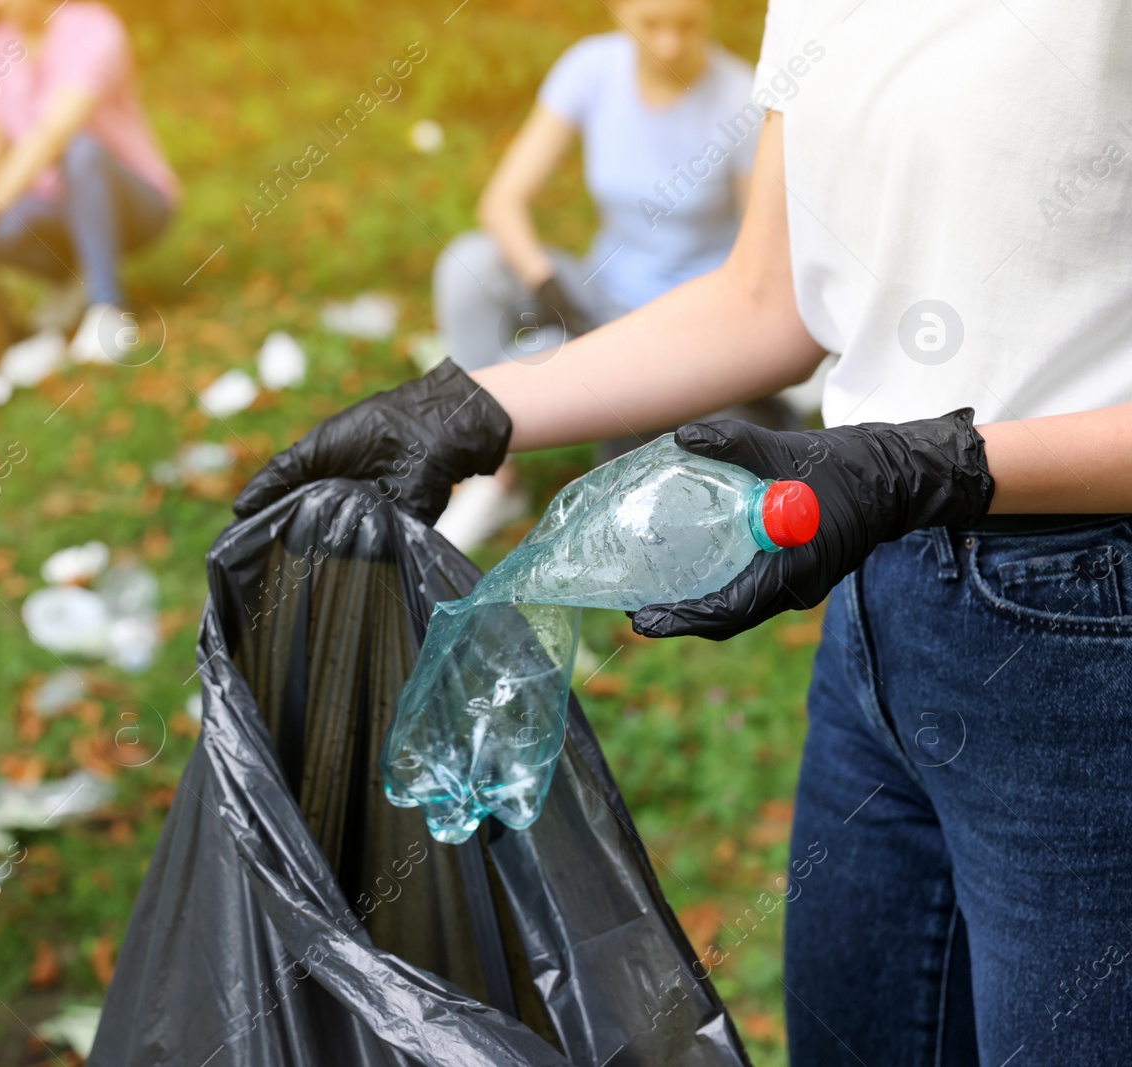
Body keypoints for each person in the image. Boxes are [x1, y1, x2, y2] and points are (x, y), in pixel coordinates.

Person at [237, 1, 1132, 1062]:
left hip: (1083, 641)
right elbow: (769, 297)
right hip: (875, 609)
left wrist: (935, 465)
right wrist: (471, 406)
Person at [432, 0, 760, 550]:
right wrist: (544, 282)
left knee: (637, 489)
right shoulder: (591, 69)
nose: (671, 44)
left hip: (688, 321)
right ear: (618, 13)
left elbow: (759, 252)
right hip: (598, 292)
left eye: (687, 26)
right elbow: (502, 201)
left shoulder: (742, 96)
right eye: (653, 25)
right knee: (470, 263)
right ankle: (486, 476)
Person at [0, 0, 180, 363]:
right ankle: (73, 283)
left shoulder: (94, 29)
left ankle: (107, 309)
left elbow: (54, 133)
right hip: (52, 204)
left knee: (81, 153)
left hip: (135, 201)